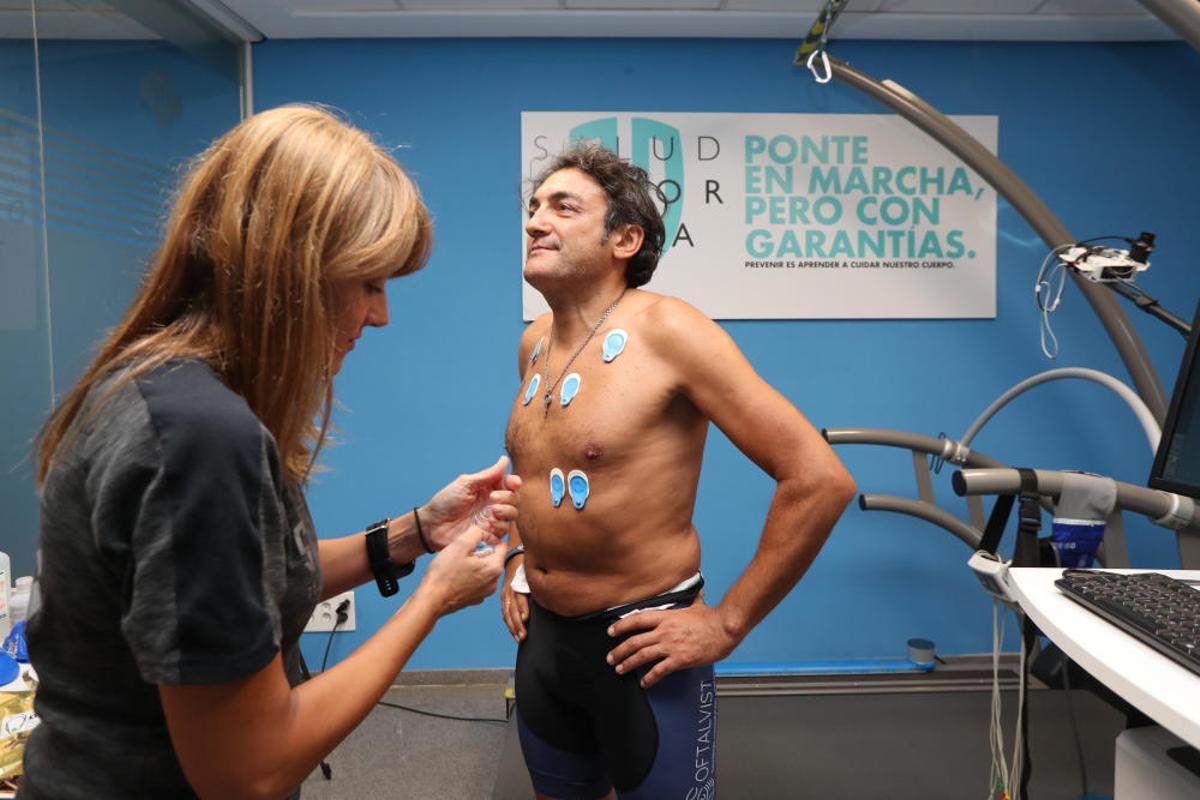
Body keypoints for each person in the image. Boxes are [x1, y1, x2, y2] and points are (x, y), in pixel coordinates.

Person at [21, 105, 520, 800]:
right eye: (369, 283)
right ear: (294, 270)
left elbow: (244, 589)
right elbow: (248, 771)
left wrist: (415, 533)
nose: (381, 315)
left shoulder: (158, 386)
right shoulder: (201, 437)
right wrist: (433, 599)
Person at [500, 142, 857, 800]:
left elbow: (819, 480)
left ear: (625, 239)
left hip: (642, 643)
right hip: (543, 642)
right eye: (534, 206)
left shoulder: (671, 331)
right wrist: (518, 557)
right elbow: (536, 467)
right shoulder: (535, 343)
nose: (535, 221)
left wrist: (727, 623)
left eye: (563, 207)